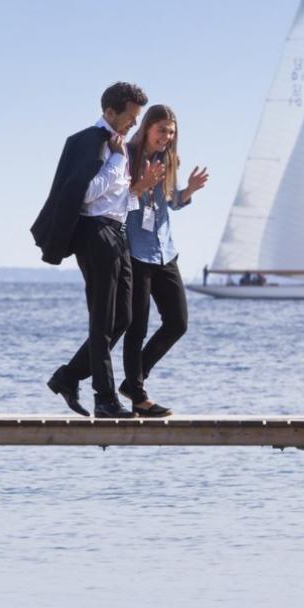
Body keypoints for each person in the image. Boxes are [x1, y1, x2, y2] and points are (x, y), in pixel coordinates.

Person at [30, 82, 159, 418]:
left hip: (117, 232)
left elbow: (114, 199)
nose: (133, 124)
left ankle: (68, 376)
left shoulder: (117, 146)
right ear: (109, 112)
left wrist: (137, 192)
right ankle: (104, 398)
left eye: (136, 119)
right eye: (129, 118)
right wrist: (117, 160)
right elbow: (85, 195)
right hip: (95, 234)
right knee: (102, 320)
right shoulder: (92, 142)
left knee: (124, 318)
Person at [119, 105, 210, 417]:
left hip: (164, 249)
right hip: (135, 250)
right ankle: (138, 394)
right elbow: (119, 199)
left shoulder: (169, 158)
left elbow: (171, 202)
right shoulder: (127, 156)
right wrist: (141, 185)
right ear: (147, 128)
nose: (167, 138)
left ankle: (134, 380)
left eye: (171, 133)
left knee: (177, 322)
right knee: (137, 325)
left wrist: (189, 191)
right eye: (162, 131)